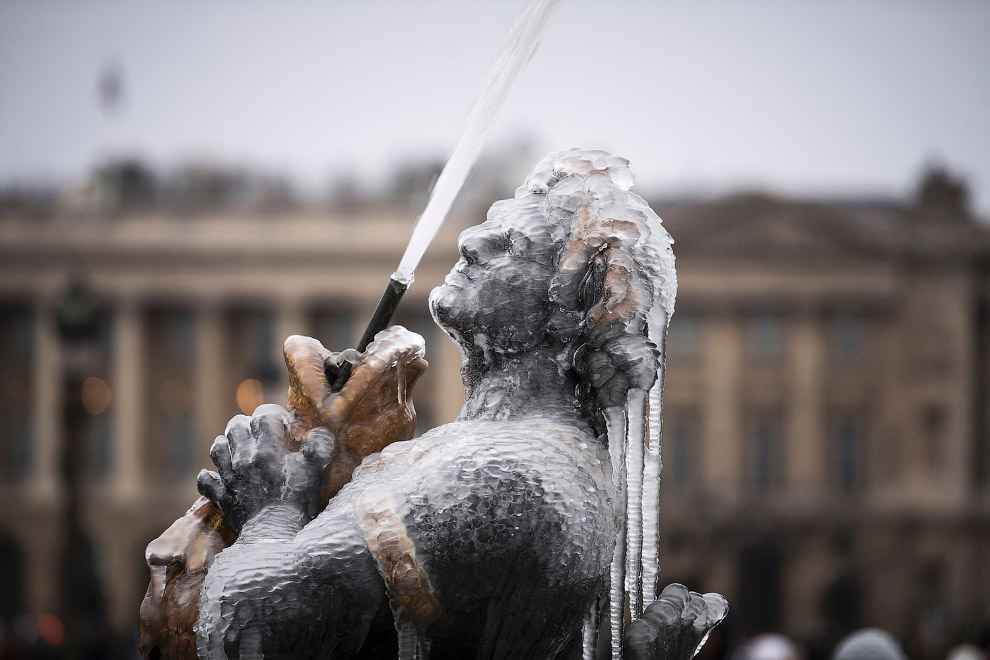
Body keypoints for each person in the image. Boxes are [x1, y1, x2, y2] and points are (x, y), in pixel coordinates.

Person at [192, 149, 695, 659]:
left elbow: (248, 630)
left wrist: (270, 510)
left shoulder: (499, 475)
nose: (470, 240)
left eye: (510, 246)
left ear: (571, 308)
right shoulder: (522, 458)